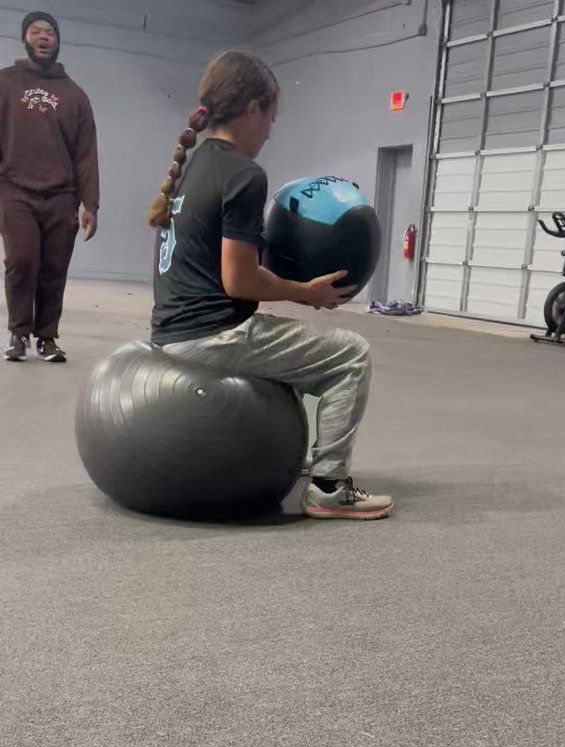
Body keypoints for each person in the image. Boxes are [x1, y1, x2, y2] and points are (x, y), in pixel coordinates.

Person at [149, 50, 393, 521]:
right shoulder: (244, 173)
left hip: (170, 330)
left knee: (293, 346)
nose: (270, 130)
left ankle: (292, 457)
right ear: (253, 109)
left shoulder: (196, 164)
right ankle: (328, 486)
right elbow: (238, 280)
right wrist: (309, 292)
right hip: (210, 336)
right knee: (351, 353)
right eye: (271, 117)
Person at [0, 11, 99, 363]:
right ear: (25, 39)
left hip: (61, 195)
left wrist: (91, 204)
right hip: (15, 190)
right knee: (21, 262)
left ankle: (46, 338)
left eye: (50, 33)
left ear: (57, 43)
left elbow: (86, 155)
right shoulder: (6, 83)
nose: (43, 37)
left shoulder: (75, 95)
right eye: (36, 31)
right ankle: (18, 332)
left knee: (54, 268)